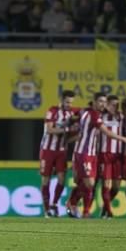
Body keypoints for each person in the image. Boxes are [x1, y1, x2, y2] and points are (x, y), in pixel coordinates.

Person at [65, 93, 126, 218]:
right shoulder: (94, 115)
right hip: (84, 153)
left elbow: (76, 111)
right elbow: (106, 132)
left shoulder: (85, 111)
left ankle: (75, 205)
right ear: (94, 102)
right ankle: (80, 209)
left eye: (104, 102)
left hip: (90, 153)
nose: (103, 104)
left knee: (87, 183)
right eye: (100, 101)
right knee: (89, 183)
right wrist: (124, 139)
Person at [39, 90, 78, 218]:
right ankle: (47, 210)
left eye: (71, 102)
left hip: (62, 150)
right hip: (47, 149)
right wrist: (67, 129)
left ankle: (54, 204)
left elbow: (68, 137)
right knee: (46, 179)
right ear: (61, 100)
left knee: (62, 178)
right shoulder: (53, 111)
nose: (69, 104)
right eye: (67, 102)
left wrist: (78, 135)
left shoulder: (72, 113)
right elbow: (50, 129)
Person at [98, 95, 124, 219]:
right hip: (104, 154)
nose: (115, 107)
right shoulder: (101, 117)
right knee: (106, 184)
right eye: (113, 104)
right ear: (107, 105)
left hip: (118, 156)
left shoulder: (121, 116)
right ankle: (108, 212)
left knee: (116, 186)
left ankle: (105, 207)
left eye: (117, 104)